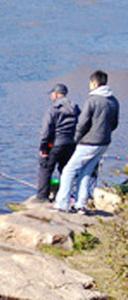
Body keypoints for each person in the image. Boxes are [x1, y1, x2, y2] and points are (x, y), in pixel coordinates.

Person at [53, 70, 120, 214]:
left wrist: (75, 139)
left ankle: (62, 204)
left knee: (69, 170)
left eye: (90, 83)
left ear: (94, 83)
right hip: (104, 143)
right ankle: (80, 205)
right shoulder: (114, 100)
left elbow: (82, 123)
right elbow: (114, 123)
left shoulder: (93, 100)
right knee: (86, 172)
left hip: (89, 142)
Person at [36, 83, 80, 202]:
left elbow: (45, 130)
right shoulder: (75, 107)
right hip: (71, 144)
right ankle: (62, 196)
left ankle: (42, 197)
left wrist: (43, 148)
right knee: (66, 171)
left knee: (45, 168)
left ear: (55, 94)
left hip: (55, 144)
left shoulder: (53, 108)